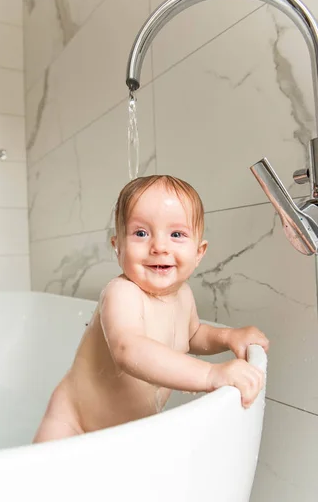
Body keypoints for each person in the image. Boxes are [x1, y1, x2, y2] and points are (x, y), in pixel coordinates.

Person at [33, 175, 268, 443]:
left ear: (199, 252)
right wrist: (211, 374)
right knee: (44, 480)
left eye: (177, 234)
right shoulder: (121, 293)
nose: (159, 247)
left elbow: (191, 336)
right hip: (73, 423)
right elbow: (128, 349)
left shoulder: (184, 296)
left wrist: (228, 337)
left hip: (126, 431)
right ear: (117, 247)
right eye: (141, 233)